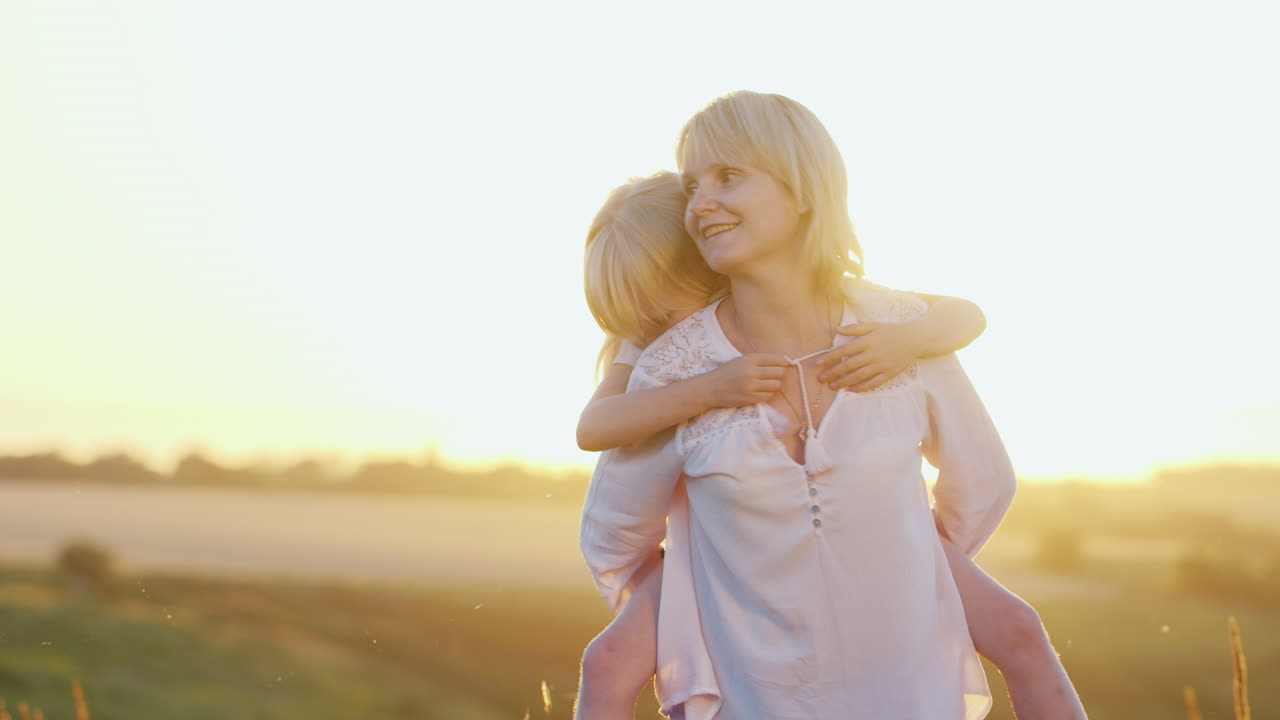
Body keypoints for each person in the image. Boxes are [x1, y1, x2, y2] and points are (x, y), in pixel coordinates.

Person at [578, 92, 1087, 719]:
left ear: (801, 188)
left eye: (728, 177)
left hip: (895, 618)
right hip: (739, 636)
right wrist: (696, 583)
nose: (701, 203)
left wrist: (893, 556)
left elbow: (981, 472)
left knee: (1020, 630)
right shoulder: (669, 364)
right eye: (693, 187)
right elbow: (612, 506)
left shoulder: (893, 325)